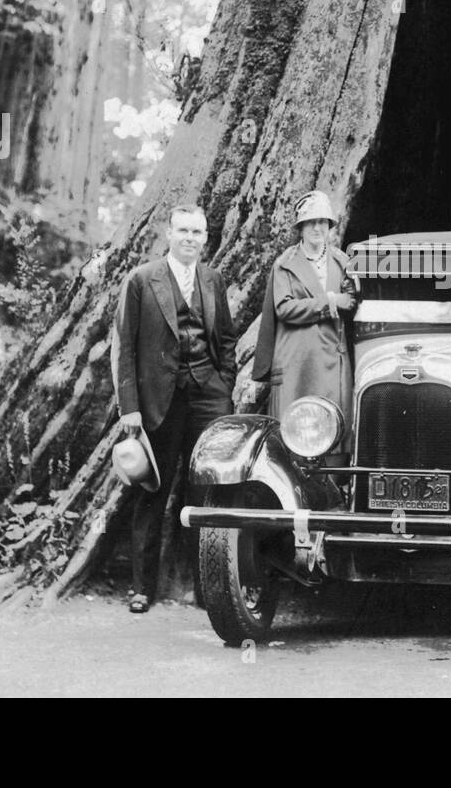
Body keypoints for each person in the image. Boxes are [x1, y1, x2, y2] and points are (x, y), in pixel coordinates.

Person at [114, 204, 237, 614]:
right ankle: (141, 588)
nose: (190, 238)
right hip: (158, 402)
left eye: (197, 232)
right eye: (183, 230)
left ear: (206, 238)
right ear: (169, 234)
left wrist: (224, 383)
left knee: (205, 491)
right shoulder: (141, 280)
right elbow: (125, 347)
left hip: (207, 397)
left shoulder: (212, 279)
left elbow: (227, 338)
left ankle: (206, 588)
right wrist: (129, 407)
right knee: (152, 492)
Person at [252, 190, 355, 458]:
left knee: (333, 432)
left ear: (330, 226)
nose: (317, 228)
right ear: (301, 227)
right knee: (296, 438)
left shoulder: (342, 261)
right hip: (296, 360)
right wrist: (329, 302)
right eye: (310, 222)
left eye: (322, 221)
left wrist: (337, 302)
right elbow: (285, 308)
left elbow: (352, 301)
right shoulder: (285, 264)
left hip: (333, 360)